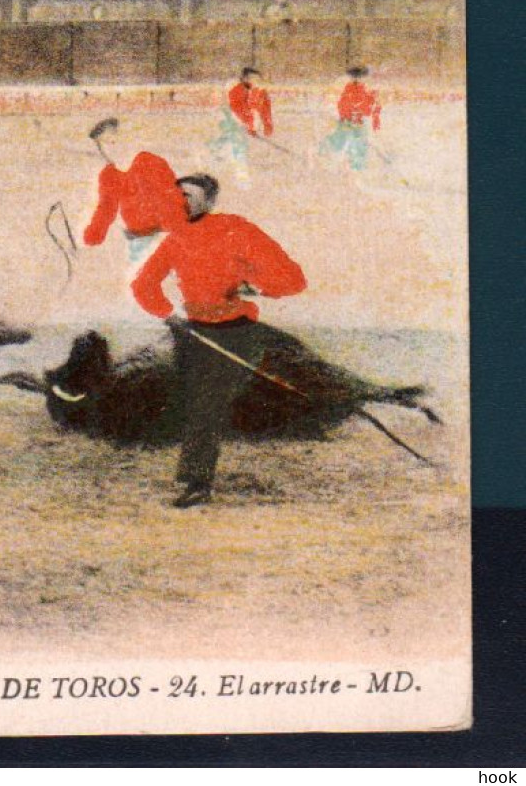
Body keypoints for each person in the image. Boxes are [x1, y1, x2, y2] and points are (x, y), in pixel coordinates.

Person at [130, 175, 308, 508]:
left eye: (190, 196)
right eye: (177, 195)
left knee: (206, 404)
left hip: (235, 332)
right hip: (194, 333)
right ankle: (196, 476)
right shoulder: (175, 239)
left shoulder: (237, 230)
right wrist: (168, 315)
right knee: (192, 403)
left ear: (210, 202)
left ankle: (197, 484)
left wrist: (255, 287)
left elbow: (294, 279)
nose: (181, 202)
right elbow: (143, 285)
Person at [81, 118, 183, 262]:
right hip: (137, 239)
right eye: (102, 145)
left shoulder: (149, 161)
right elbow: (106, 209)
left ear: (123, 139)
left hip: (164, 235)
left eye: (113, 142)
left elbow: (173, 197)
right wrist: (92, 238)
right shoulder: (108, 175)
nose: (109, 149)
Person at [322, 66, 381, 171]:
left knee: (350, 143)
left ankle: (356, 167)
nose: (358, 80)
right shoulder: (355, 90)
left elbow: (368, 107)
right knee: (344, 142)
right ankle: (356, 166)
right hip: (350, 122)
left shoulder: (359, 90)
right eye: (357, 77)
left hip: (353, 122)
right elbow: (348, 106)